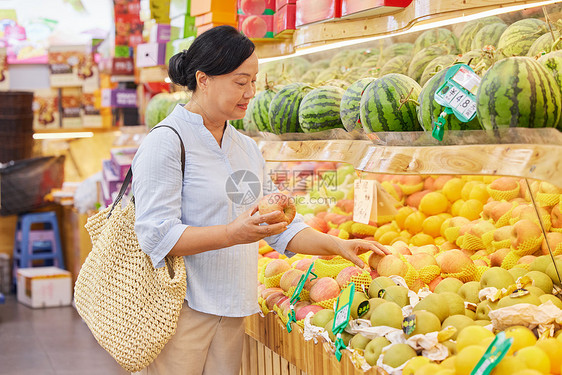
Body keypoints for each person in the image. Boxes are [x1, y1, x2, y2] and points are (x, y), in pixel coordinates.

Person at [131, 25, 389, 375]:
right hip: (181, 309)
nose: (250, 92)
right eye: (240, 82)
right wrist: (232, 234)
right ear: (203, 79)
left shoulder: (245, 147)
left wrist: (337, 245)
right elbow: (155, 235)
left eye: (254, 80)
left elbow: (278, 229)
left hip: (234, 306)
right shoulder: (167, 142)